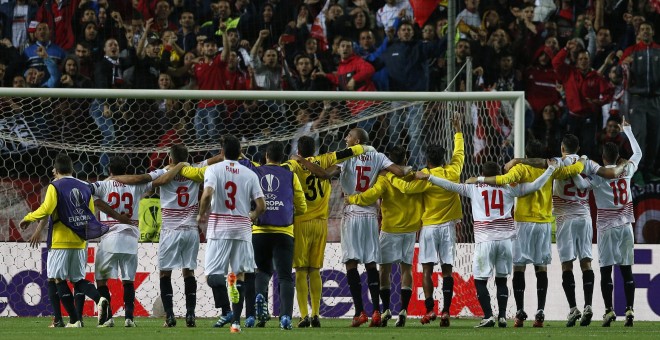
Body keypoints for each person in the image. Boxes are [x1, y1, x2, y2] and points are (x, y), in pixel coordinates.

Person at [418, 160, 559, 327]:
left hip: (485, 241)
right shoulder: (508, 187)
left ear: (483, 174)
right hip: (505, 241)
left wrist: (429, 177)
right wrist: (550, 169)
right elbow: (535, 186)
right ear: (499, 175)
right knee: (501, 280)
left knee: (480, 280)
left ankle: (488, 315)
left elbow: (449, 185)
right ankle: (501, 317)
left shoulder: (473, 188)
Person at [468, 140, 586, 328]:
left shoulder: (521, 169)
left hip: (523, 222)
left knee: (519, 268)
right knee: (541, 268)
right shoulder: (551, 169)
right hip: (544, 223)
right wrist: (582, 161)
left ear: (526, 154)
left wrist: (483, 178)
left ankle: (520, 312)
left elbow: (504, 180)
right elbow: (572, 171)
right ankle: (540, 311)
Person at [285, 136, 375, 328]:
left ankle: (303, 316)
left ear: (299, 151)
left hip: (300, 223)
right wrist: (367, 146)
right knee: (315, 270)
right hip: (320, 224)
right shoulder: (326, 159)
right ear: (314, 149)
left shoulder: (293, 164)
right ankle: (316, 314)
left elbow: (280, 171)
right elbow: (352, 151)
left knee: (301, 271)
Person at [89, 156, 186, 328]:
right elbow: (160, 181)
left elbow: (95, 201)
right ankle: (129, 318)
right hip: (130, 238)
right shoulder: (135, 185)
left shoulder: (103, 185)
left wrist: (117, 216)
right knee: (128, 280)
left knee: (101, 280)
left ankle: (108, 318)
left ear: (109, 171)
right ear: (126, 172)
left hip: (109, 237)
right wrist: (173, 167)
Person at [386, 115, 463, 327]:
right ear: (444, 159)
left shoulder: (426, 177)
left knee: (427, 270)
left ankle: (430, 310)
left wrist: (390, 177)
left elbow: (406, 188)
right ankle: (446, 311)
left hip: (429, 228)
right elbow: (460, 153)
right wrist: (458, 131)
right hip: (448, 227)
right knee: (447, 269)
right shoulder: (453, 172)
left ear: (428, 160)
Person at [19, 153, 110, 328]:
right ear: (71, 168)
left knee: (57, 278)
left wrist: (28, 217)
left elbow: (46, 209)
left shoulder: (55, 186)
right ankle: (100, 299)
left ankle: (74, 320)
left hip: (60, 240)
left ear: (56, 169)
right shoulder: (85, 186)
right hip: (80, 241)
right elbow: (89, 212)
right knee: (77, 280)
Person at [573, 117, 642, 327]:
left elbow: (581, 185)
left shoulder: (599, 177)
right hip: (626, 227)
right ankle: (629, 310)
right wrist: (628, 131)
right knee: (626, 270)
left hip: (605, 228)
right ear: (618, 157)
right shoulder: (627, 170)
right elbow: (638, 154)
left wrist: (576, 166)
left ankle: (609, 311)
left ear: (603, 158)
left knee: (606, 271)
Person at [194, 136, 266, 333]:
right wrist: (251, 215)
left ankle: (227, 305)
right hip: (242, 229)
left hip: (219, 228)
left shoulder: (213, 170)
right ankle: (235, 322)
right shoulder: (249, 173)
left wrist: (201, 213)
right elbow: (261, 206)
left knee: (212, 275)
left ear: (222, 151)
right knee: (240, 274)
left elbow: (207, 194)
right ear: (240, 150)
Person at [337, 127, 408, 327]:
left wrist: (306, 163)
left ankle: (360, 312)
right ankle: (376, 311)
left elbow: (327, 174)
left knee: (351, 262)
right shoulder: (378, 156)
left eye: (349, 135)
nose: (345, 138)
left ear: (357, 140)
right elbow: (399, 171)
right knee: (370, 263)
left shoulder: (346, 157)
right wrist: (410, 171)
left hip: (352, 213)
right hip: (370, 216)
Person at [346, 146, 422, 327]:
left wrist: (352, 199)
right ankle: (403, 310)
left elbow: (370, 195)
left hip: (391, 229)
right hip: (411, 229)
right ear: (406, 157)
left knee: (385, 270)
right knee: (406, 270)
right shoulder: (413, 175)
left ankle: (386, 308)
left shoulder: (385, 178)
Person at [240, 141, 307, 330]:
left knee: (260, 272)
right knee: (285, 276)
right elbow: (302, 206)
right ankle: (285, 317)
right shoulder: (290, 175)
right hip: (284, 232)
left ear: (266, 156)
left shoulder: (255, 172)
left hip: (259, 232)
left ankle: (252, 315)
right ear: (282, 157)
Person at [620, 22, 660, 182]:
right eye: (642, 29)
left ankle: (648, 170)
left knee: (654, 137)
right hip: (637, 100)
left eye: (648, 29)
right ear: (638, 32)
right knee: (639, 135)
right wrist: (624, 65)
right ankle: (637, 171)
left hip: (656, 100)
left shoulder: (659, 49)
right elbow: (618, 73)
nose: (645, 31)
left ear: (653, 32)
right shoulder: (632, 51)